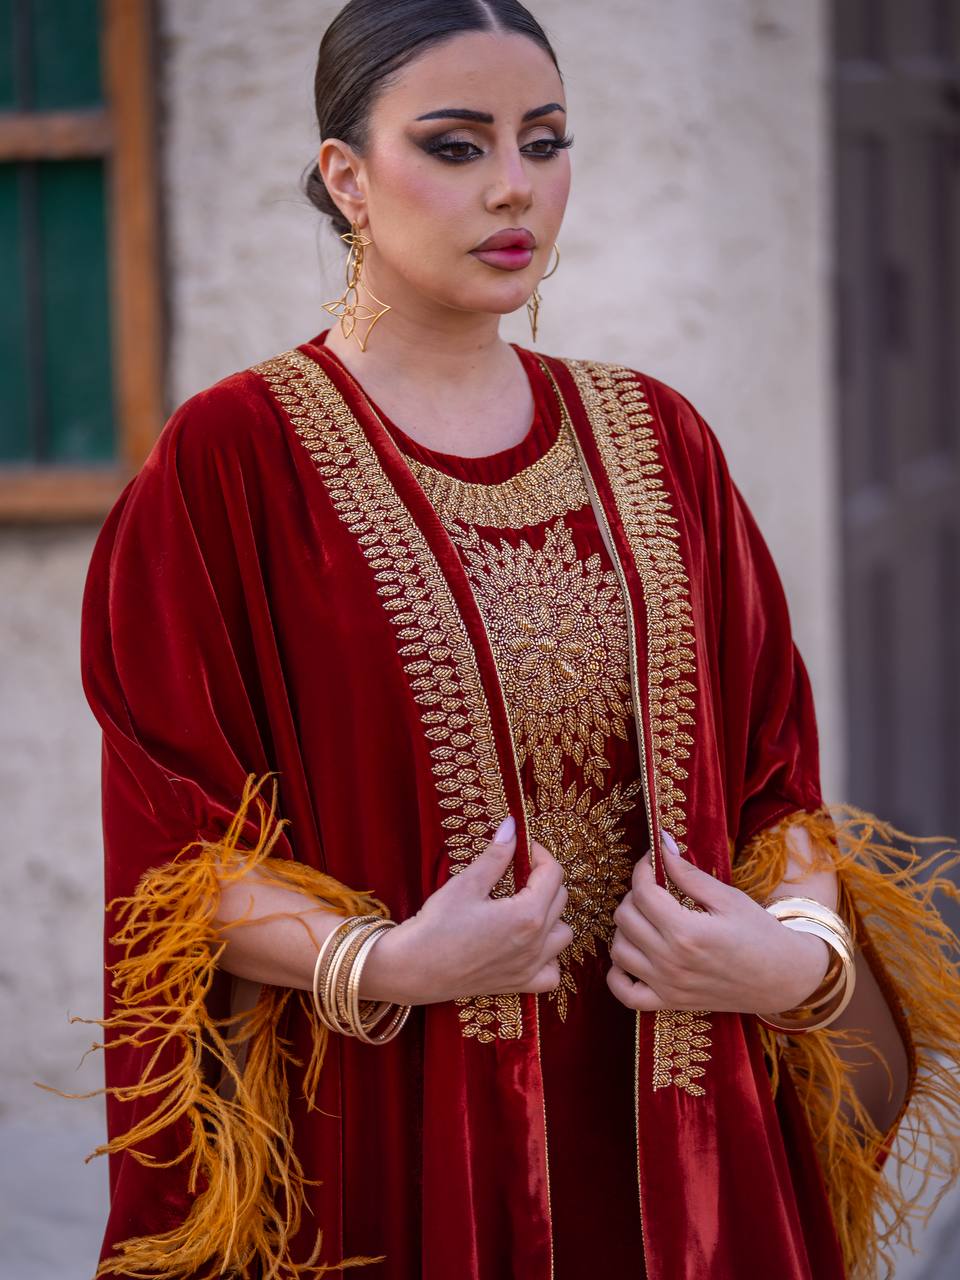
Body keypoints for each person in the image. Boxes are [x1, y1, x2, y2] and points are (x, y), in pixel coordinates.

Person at [74, 2, 960, 1277]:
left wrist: (790, 959)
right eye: (454, 144)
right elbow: (177, 836)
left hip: (687, 1126)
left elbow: (775, 780)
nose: (513, 186)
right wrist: (382, 958)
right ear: (346, 176)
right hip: (400, 1129)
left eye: (545, 141)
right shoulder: (234, 462)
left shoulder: (661, 438)